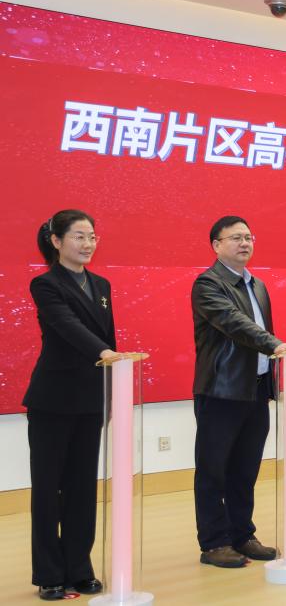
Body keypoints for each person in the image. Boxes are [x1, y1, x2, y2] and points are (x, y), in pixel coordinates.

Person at [23, 210, 118, 601]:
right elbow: (66, 326)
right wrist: (104, 352)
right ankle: (49, 572)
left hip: (90, 399)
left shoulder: (101, 284)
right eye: (79, 236)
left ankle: (80, 568)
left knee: (82, 487)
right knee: (49, 489)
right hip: (53, 400)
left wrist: (111, 387)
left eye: (92, 236)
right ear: (56, 241)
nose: (88, 244)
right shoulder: (45, 284)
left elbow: (108, 335)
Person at [191, 216, 286, 568]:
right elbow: (234, 323)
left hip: (256, 389)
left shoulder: (258, 285)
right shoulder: (208, 284)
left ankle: (242, 535)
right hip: (221, 390)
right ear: (216, 245)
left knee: (245, 470)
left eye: (249, 237)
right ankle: (214, 543)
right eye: (236, 238)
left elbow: (260, 329)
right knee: (213, 470)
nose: (244, 243)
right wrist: (274, 344)